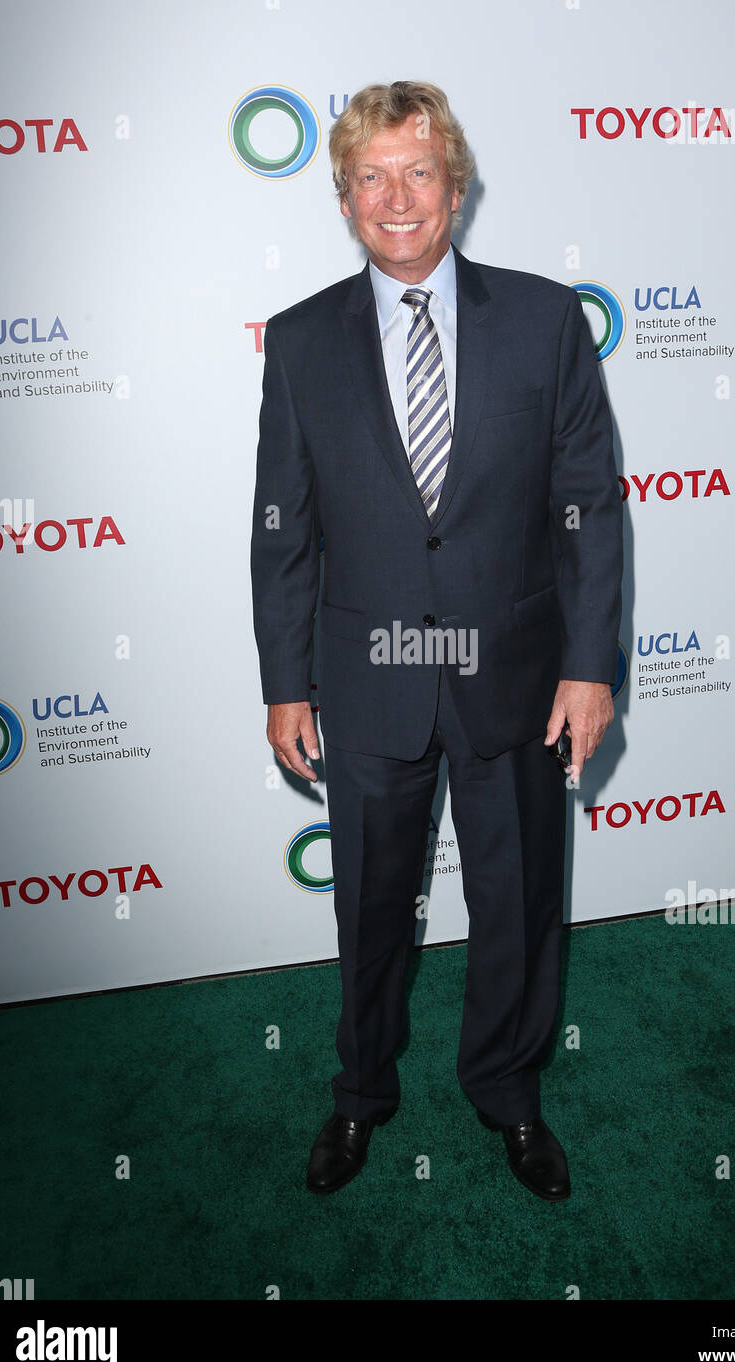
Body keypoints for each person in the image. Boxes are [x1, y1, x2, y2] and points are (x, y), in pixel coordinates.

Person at [251, 80, 623, 1201]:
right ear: (344, 200)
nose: (395, 197)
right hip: (365, 684)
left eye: (417, 171)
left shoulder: (544, 320)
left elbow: (586, 506)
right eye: (370, 176)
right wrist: (284, 683)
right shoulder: (303, 339)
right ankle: (360, 1092)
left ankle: (508, 1094)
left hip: (511, 674)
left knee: (515, 901)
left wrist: (589, 664)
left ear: (454, 189)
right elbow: (283, 526)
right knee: (368, 908)